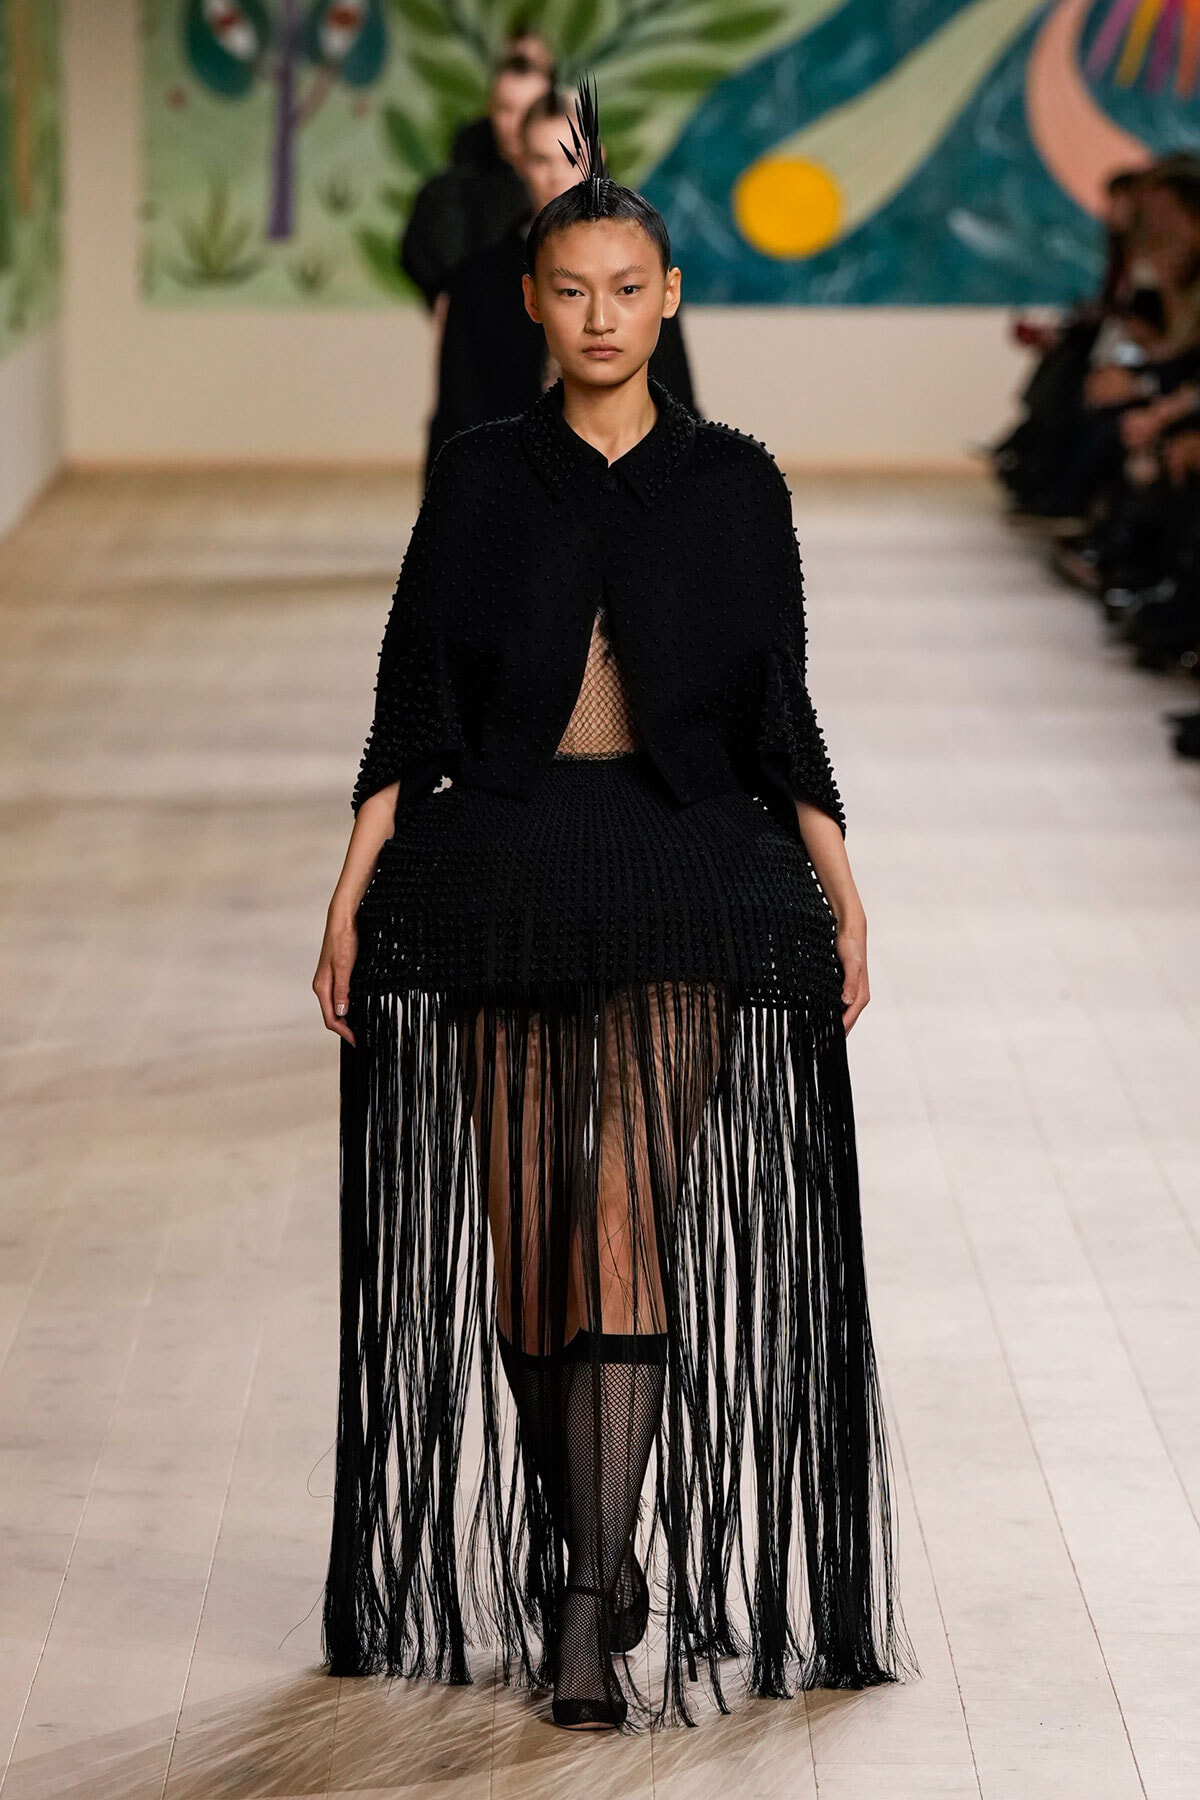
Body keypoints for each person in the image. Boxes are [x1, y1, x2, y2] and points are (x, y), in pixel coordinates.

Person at [314, 78, 917, 1733]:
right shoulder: (480, 475)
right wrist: (349, 897)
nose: (598, 315)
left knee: (625, 1216)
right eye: (568, 289)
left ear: (667, 301)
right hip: (500, 865)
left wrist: (844, 894)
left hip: (685, 869)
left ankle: (591, 1587)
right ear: (530, 303)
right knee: (524, 1239)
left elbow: (779, 702)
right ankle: (582, 1518)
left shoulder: (735, 482)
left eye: (626, 289)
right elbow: (410, 697)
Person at [426, 87, 697, 479]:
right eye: (542, 159)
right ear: (520, 162)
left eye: (571, 157)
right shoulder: (476, 280)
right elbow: (456, 414)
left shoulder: (642, 269)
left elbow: (677, 399)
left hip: (634, 486)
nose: (556, 174)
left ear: (597, 160)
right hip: (509, 492)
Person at [399, 51, 551, 311]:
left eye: (530, 109)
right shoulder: (449, 194)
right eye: (506, 108)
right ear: (490, 109)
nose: (517, 123)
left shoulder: (578, 184)